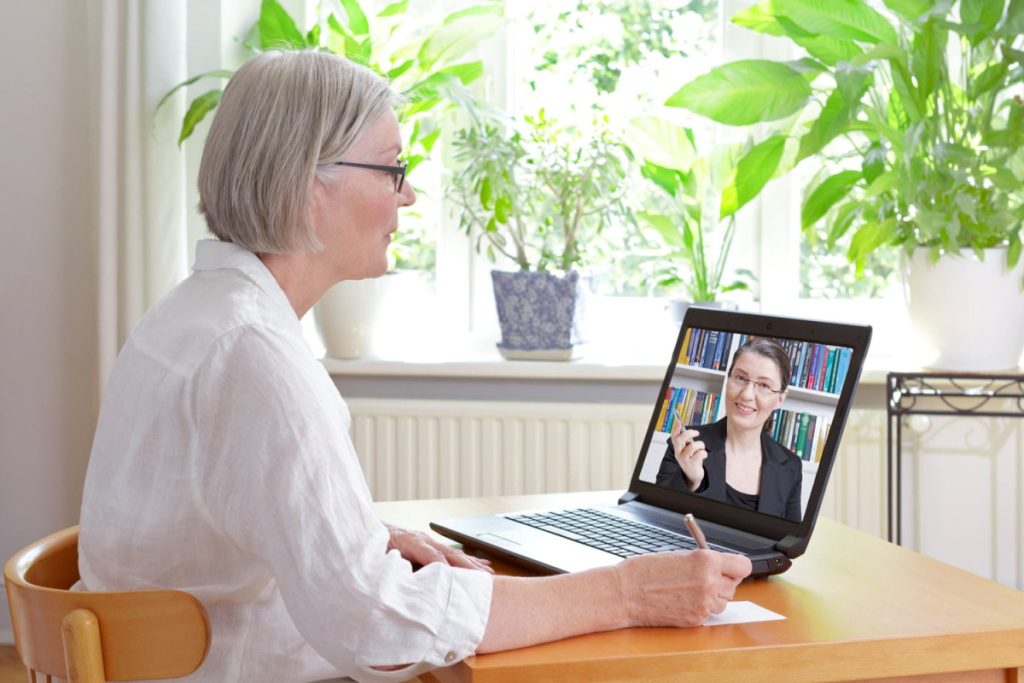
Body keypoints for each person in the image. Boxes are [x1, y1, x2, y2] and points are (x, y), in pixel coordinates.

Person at [77, 50, 751, 682]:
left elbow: (230, 523)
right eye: (392, 169)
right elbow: (378, 625)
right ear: (308, 185)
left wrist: (366, 539)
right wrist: (627, 591)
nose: (409, 197)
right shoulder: (254, 355)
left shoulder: (193, 315)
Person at [656, 337, 803, 522]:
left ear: (780, 398)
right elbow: (660, 522)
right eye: (741, 378)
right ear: (728, 379)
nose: (747, 394)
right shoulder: (686, 444)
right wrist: (692, 482)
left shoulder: (791, 466)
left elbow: (790, 542)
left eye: (764, 385)